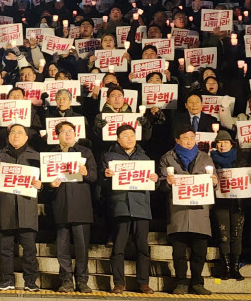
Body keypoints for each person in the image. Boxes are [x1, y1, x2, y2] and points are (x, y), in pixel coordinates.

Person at [160, 129, 218, 295]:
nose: (189, 141)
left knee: (199, 251)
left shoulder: (205, 157)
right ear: (177, 140)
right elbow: (160, 183)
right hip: (179, 211)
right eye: (185, 138)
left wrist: (214, 182)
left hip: (199, 211)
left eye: (192, 138)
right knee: (179, 251)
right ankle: (181, 282)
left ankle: (197, 282)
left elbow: (215, 182)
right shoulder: (167, 157)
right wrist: (167, 182)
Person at [101, 124, 158, 294]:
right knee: (119, 246)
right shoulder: (109, 157)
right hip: (121, 205)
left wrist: (156, 179)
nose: (129, 138)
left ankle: (143, 283)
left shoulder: (145, 158)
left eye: (132, 135)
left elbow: (152, 182)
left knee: (142, 247)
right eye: (125, 136)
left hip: (141, 206)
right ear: (118, 139)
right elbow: (100, 183)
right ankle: (119, 283)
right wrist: (106, 176)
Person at [0, 123, 40, 292]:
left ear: (26, 137)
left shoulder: (35, 156)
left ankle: (31, 281)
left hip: (27, 207)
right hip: (7, 207)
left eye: (20, 132)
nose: (16, 135)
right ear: (8, 136)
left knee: (30, 249)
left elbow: (42, 184)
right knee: (6, 248)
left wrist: (40, 185)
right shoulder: (0, 155)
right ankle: (6, 280)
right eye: (13, 132)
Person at [48, 121, 97, 293]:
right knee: (62, 246)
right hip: (60, 204)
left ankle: (82, 281)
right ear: (57, 135)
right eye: (64, 131)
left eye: (71, 131)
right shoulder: (51, 155)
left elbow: (94, 176)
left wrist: (86, 173)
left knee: (82, 246)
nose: (68, 134)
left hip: (81, 205)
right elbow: (46, 182)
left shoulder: (85, 152)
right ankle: (66, 280)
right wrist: (50, 185)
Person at [210, 131, 244, 281]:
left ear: (232, 144)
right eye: (219, 142)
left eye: (225, 142)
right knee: (224, 235)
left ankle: (235, 268)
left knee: (236, 235)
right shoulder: (210, 160)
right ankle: (226, 267)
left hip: (238, 203)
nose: (222, 145)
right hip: (220, 202)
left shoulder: (242, 158)